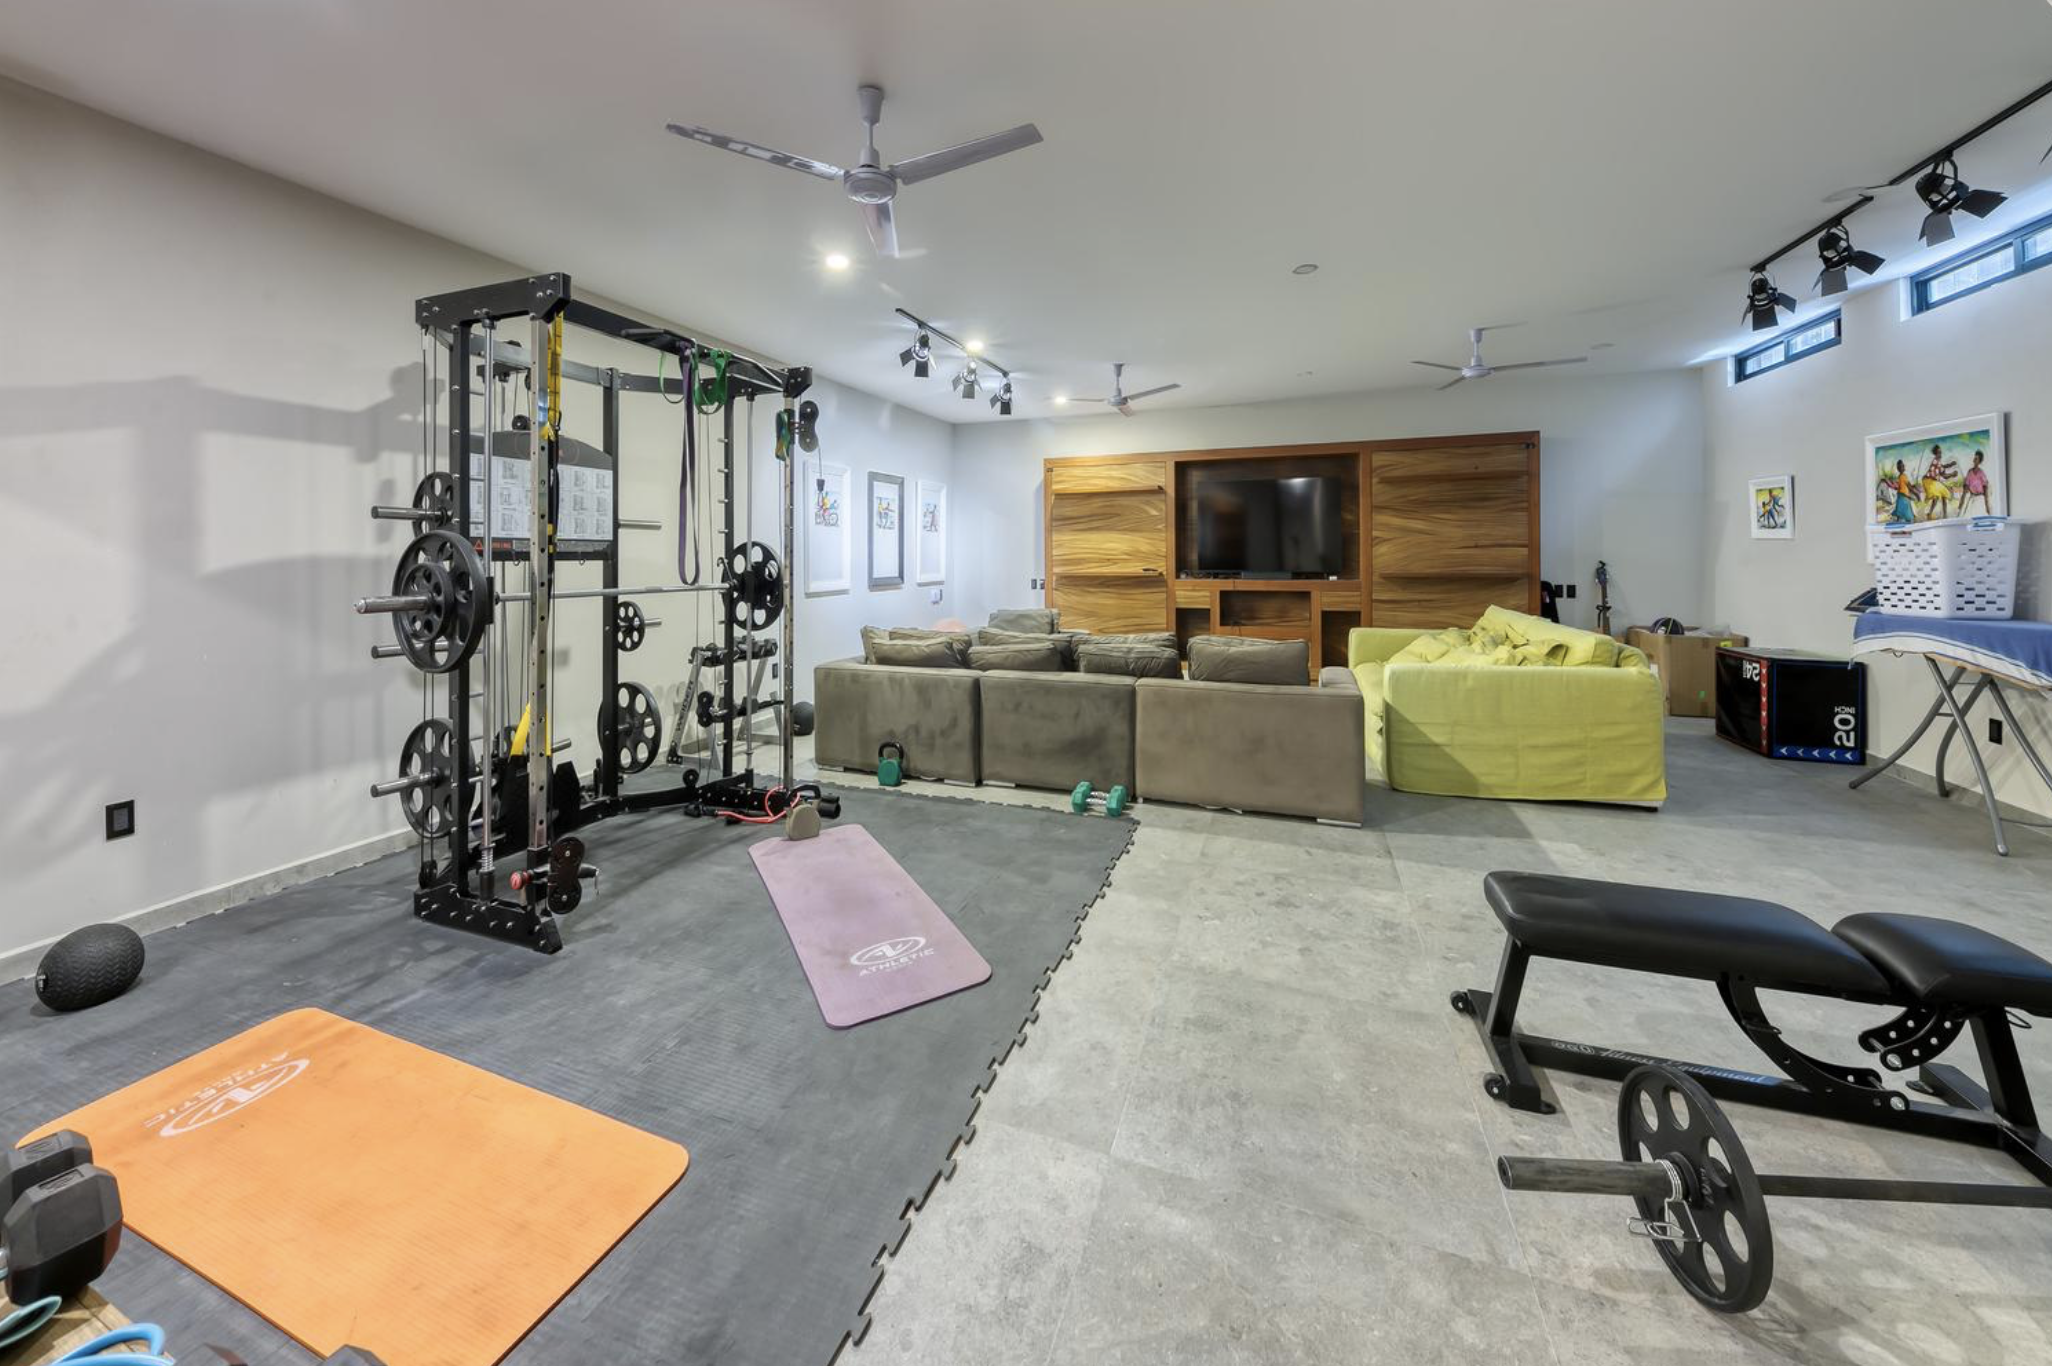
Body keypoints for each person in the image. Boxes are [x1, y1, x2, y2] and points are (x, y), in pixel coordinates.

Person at [1962, 449, 1993, 515]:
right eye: (1974, 458)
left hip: (1980, 500)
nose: (1974, 460)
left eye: (1976, 459)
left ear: (1979, 461)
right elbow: (1966, 487)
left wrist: (1987, 506)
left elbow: (1985, 490)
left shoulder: (1981, 473)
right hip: (1972, 499)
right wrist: (1962, 502)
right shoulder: (1969, 472)